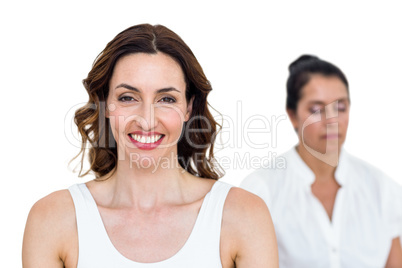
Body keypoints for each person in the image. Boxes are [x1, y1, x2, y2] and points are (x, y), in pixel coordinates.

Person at [22, 24, 278, 268]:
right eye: (128, 98)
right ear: (106, 104)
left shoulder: (243, 216)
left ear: (188, 107)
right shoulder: (53, 220)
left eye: (166, 98)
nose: (146, 120)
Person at [241, 55, 402, 268]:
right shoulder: (261, 190)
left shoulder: (382, 190)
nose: (332, 121)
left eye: (341, 107)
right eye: (316, 110)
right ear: (293, 115)